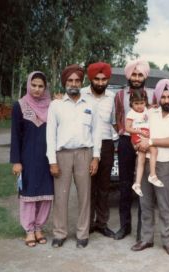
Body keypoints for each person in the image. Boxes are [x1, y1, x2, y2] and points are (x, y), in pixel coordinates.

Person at [46, 64, 102, 249]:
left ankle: (82, 234)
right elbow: (50, 135)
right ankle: (59, 233)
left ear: (81, 82)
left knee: (84, 196)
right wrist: (52, 161)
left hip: (84, 154)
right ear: (65, 82)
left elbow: (97, 132)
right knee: (61, 196)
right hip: (62, 155)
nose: (74, 83)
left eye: (77, 80)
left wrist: (96, 157)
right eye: (70, 80)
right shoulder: (56, 105)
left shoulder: (91, 104)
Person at [131, 79, 169, 256]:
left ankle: (168, 241)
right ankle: (146, 239)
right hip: (144, 161)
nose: (166, 100)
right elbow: (138, 129)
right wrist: (138, 144)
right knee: (145, 202)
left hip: (165, 164)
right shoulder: (151, 112)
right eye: (163, 97)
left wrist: (152, 142)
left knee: (164, 204)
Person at [10, 71, 54, 247]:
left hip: (47, 157)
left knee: (45, 195)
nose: (36, 89)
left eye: (40, 86)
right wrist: (17, 161)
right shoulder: (19, 105)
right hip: (27, 158)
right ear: (29, 85)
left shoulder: (52, 106)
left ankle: (38, 228)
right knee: (29, 194)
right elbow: (15, 135)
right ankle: (29, 230)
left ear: (45, 88)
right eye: (34, 85)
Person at [113, 59, 154, 240]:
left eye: (140, 75)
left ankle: (141, 231)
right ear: (129, 75)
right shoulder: (120, 95)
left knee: (143, 185)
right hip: (126, 142)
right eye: (134, 74)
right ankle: (125, 226)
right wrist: (125, 136)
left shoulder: (152, 96)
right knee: (125, 185)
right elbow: (116, 120)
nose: (136, 78)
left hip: (145, 143)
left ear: (145, 76)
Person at [81, 62, 116, 238]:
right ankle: (86, 224)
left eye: (104, 79)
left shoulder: (112, 97)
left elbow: (118, 120)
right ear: (91, 78)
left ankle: (101, 223)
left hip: (107, 144)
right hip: (86, 145)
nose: (101, 82)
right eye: (97, 79)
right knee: (87, 186)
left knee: (104, 186)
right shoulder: (81, 95)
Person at [126, 89, 163, 197]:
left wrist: (152, 106)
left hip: (145, 134)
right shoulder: (131, 113)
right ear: (131, 103)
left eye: (141, 103)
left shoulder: (146, 109)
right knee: (153, 149)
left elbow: (150, 108)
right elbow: (127, 128)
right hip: (138, 135)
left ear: (145, 102)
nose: (139, 106)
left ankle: (137, 183)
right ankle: (152, 174)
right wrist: (139, 131)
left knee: (141, 159)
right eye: (136, 103)